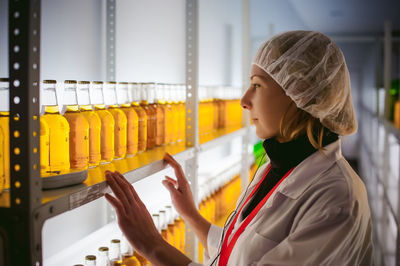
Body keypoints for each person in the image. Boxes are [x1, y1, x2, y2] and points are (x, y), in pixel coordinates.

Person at [104, 31, 373, 265]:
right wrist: (191, 215)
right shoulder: (278, 164)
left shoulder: (336, 201)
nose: (244, 100)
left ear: (299, 93)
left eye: (257, 85)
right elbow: (243, 250)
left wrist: (153, 246)